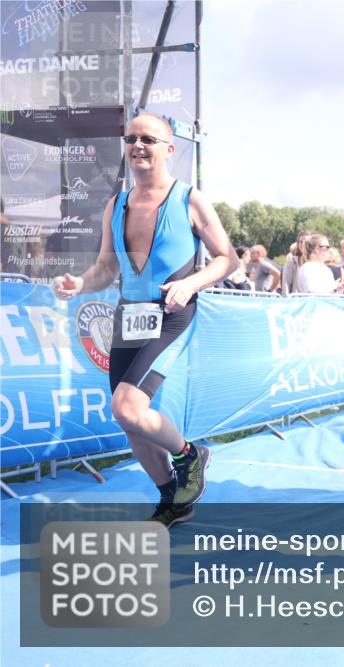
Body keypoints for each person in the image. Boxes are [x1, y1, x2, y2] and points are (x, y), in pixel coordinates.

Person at [52, 112, 237, 528]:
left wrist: (191, 283)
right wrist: (77, 283)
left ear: (169, 149)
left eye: (149, 139)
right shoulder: (115, 205)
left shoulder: (189, 199)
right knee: (129, 420)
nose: (138, 145)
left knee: (128, 406)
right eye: (132, 137)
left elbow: (228, 259)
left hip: (171, 313)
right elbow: (104, 268)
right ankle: (173, 499)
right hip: (128, 316)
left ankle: (190, 456)